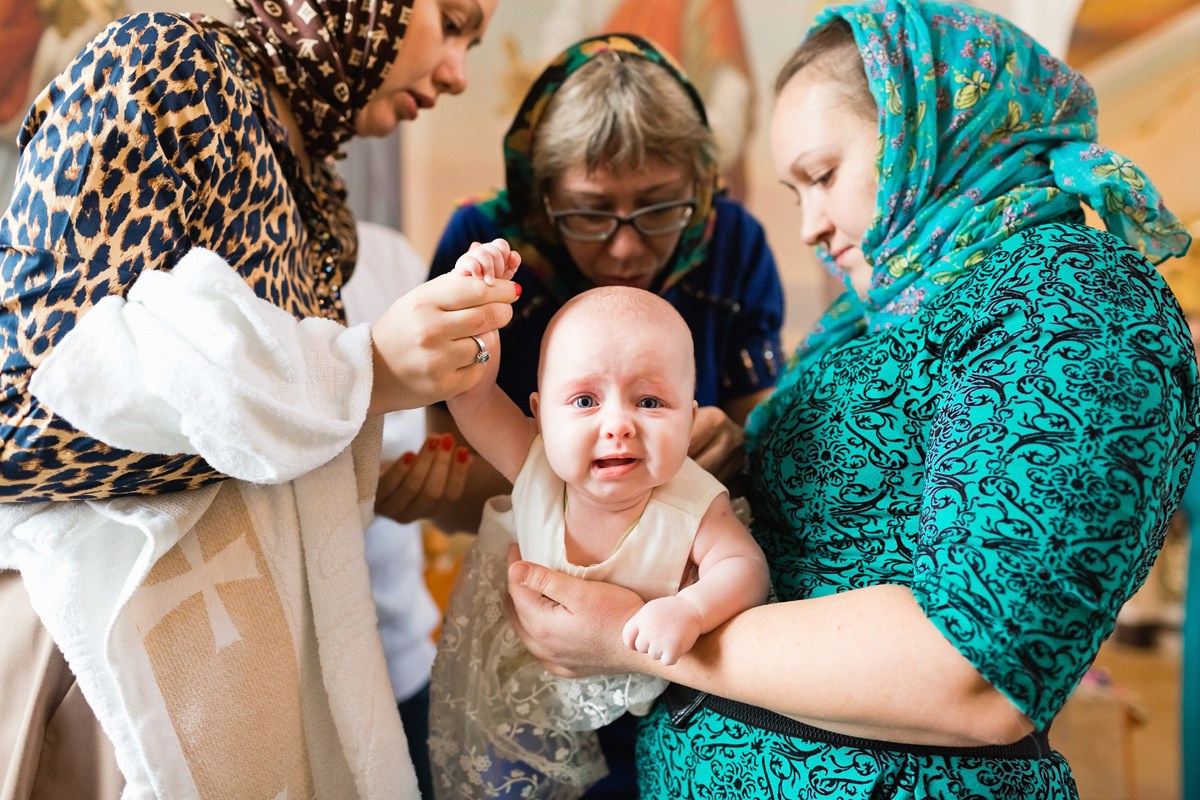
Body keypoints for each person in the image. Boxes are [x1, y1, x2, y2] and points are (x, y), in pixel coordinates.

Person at [502, 2, 1199, 798]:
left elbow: (973, 673)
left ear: (922, 135)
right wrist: (735, 462)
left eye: (824, 175)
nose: (808, 227)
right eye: (794, 190)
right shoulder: (878, 312)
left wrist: (626, 637)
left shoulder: (1074, 305)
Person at [0, 0, 511, 797]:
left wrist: (356, 457)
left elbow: (241, 454)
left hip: (232, 677)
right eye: (451, 22)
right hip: (104, 666)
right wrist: (363, 371)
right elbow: (25, 408)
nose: (458, 75)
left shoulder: (311, 185)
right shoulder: (163, 66)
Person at [379, 33, 783, 796]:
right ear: (542, 196)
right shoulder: (488, 240)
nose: (626, 248)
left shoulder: (732, 243)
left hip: (670, 635)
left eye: (659, 208)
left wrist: (732, 447)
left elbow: (758, 445)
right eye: (590, 213)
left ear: (699, 186)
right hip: (529, 652)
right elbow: (469, 414)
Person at [427, 253, 770, 798]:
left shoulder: (694, 502)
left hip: (655, 686)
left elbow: (745, 567)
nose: (618, 425)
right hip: (526, 680)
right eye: (585, 400)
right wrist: (480, 314)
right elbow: (474, 398)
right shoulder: (535, 462)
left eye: (650, 401)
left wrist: (690, 609)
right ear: (540, 415)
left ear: (690, 418)